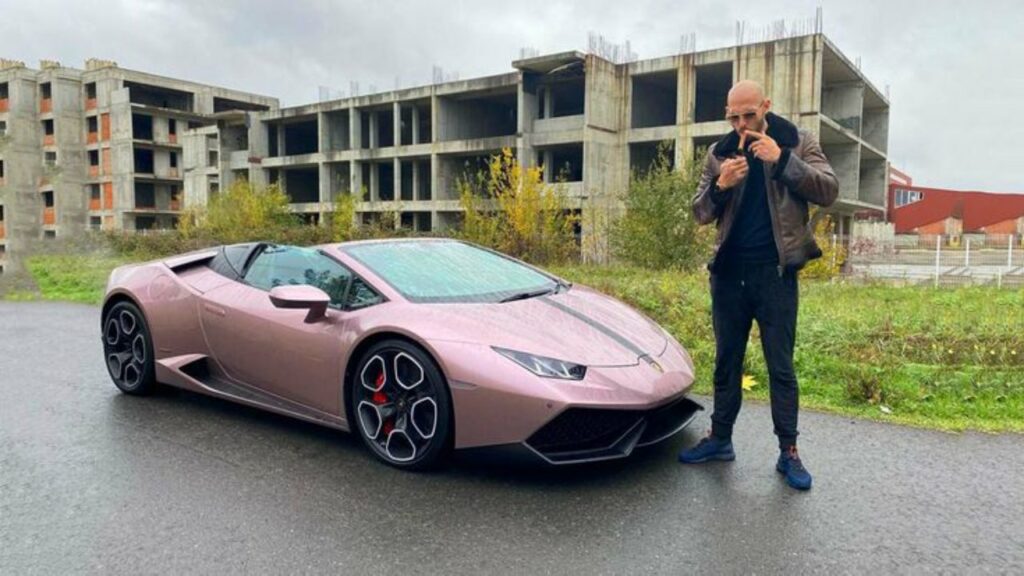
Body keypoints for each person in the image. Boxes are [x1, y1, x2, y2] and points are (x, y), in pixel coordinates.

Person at [678, 80, 838, 491]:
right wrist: (721, 186)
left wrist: (782, 159)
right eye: (734, 116)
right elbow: (699, 213)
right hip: (730, 275)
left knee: (780, 367)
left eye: (749, 114)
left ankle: (789, 452)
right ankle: (720, 439)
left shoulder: (798, 141)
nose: (742, 123)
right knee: (726, 362)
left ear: (766, 106)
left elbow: (829, 190)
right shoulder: (718, 153)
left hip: (776, 274)